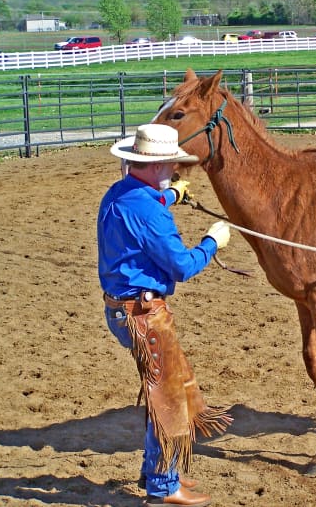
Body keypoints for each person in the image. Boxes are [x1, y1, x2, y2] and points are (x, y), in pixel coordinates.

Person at [98, 124, 232, 507]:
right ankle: (163, 485)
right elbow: (180, 266)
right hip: (143, 314)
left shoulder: (120, 194)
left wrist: (171, 195)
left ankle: (156, 471)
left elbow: (142, 209)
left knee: (160, 393)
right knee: (168, 398)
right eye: (172, 166)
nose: (175, 170)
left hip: (121, 309)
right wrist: (212, 241)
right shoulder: (150, 214)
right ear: (160, 164)